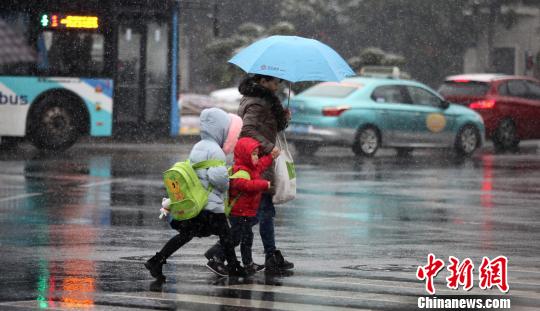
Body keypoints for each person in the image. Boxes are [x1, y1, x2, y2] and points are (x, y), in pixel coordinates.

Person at [205, 74, 294, 273]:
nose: (277, 86)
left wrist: (283, 118)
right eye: (274, 82)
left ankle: (267, 255)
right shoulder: (257, 103)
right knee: (256, 216)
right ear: (263, 81)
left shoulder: (264, 101)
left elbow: (268, 127)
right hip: (256, 164)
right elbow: (248, 130)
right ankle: (220, 252)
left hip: (260, 163)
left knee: (262, 213)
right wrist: (269, 147)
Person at [144, 108, 245, 279]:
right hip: (210, 204)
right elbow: (217, 178)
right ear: (220, 129)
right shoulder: (216, 151)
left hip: (198, 201)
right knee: (227, 236)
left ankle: (157, 260)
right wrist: (227, 180)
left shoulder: (198, 146)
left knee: (186, 235)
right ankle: (234, 267)